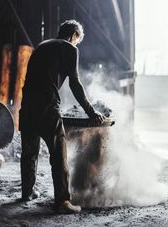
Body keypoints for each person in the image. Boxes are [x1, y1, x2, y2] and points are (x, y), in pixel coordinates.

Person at [19, 19, 105, 214]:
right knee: (58, 154)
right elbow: (75, 83)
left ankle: (27, 192)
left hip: (27, 106)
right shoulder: (69, 48)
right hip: (47, 107)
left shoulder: (41, 46)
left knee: (29, 153)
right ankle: (63, 202)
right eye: (77, 41)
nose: (76, 45)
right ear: (73, 35)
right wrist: (91, 111)